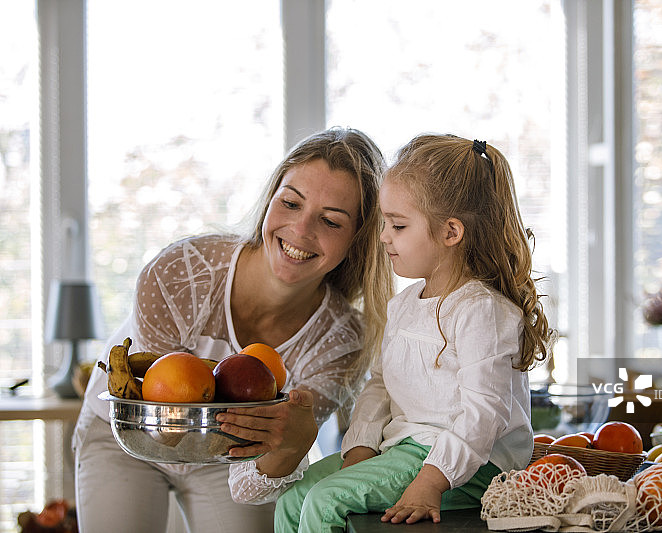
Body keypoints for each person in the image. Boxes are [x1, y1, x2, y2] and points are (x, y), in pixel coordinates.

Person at [72, 127, 394, 533]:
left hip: (231, 456)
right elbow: (160, 424)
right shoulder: (181, 273)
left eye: (330, 221)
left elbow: (254, 481)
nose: (300, 229)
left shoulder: (341, 341)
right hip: (126, 438)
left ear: (359, 240)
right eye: (291, 203)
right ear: (271, 199)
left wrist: (291, 446)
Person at [231, 133, 555, 532]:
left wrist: (431, 480)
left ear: (451, 233)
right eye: (384, 222)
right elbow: (382, 385)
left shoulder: (480, 311)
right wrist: (361, 446)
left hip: (471, 466)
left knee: (324, 501)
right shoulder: (404, 305)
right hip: (404, 449)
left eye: (398, 225)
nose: (383, 236)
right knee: (295, 495)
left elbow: (484, 414)